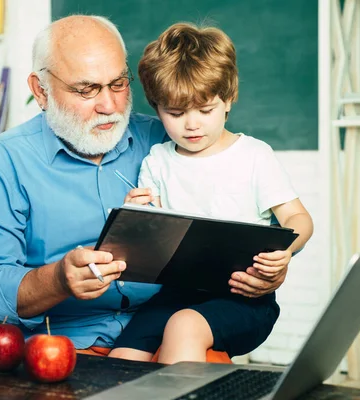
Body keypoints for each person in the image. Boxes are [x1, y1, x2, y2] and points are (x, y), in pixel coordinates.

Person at [0, 15, 285, 352]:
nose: (109, 106)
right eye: (86, 90)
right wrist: (58, 279)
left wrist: (269, 271)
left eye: (118, 84)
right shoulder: (0, 163)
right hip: (66, 346)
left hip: (168, 331)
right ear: (40, 90)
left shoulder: (169, 138)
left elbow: (246, 223)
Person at [107, 23, 314, 365]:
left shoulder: (253, 156)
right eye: (174, 113)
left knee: (184, 326)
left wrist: (286, 251)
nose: (191, 125)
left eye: (205, 110)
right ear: (156, 106)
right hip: (175, 294)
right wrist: (138, 220)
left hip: (244, 297)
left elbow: (299, 219)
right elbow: (153, 240)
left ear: (229, 99)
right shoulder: (158, 161)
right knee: (122, 358)